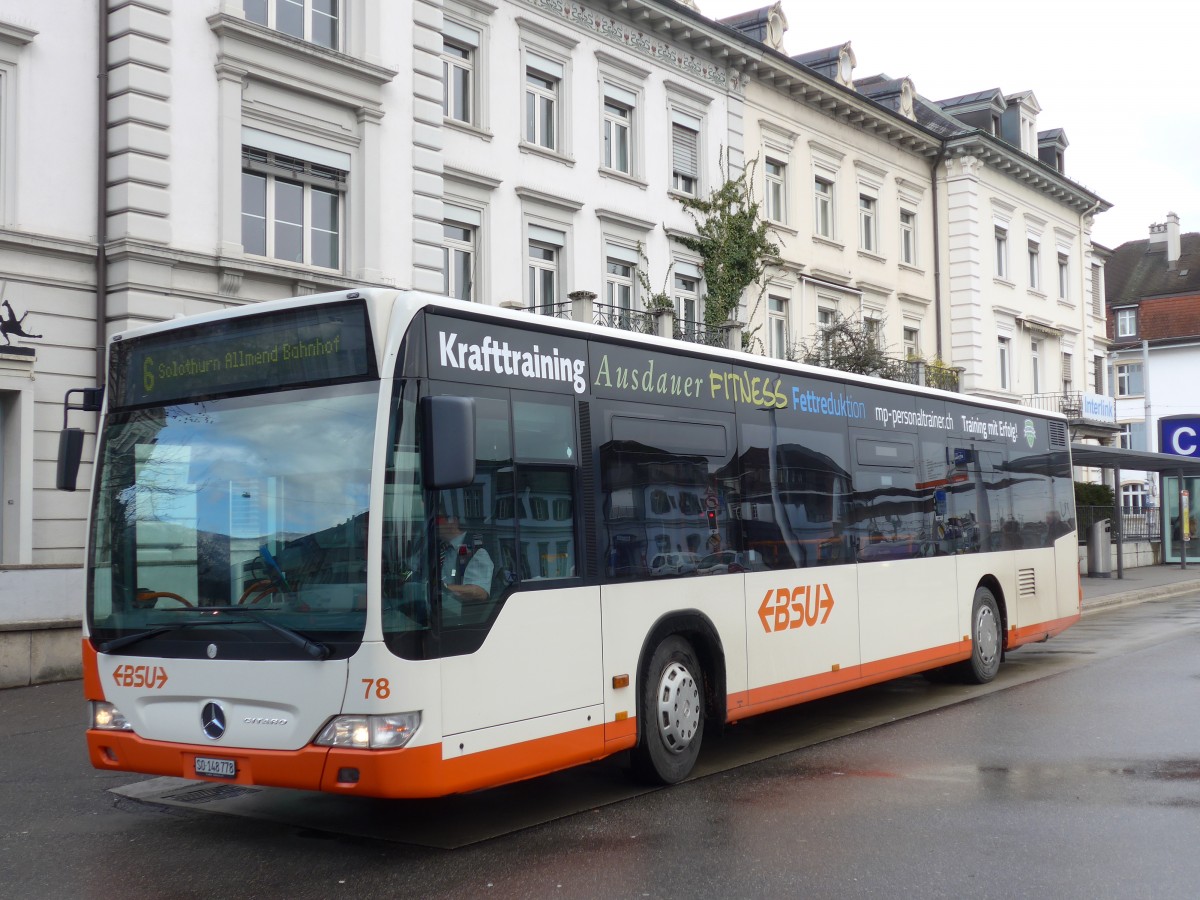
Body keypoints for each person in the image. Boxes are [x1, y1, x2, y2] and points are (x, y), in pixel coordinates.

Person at [436, 512, 494, 614]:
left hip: (464, 617)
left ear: (453, 521)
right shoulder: (439, 549)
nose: (434, 524)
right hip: (439, 612)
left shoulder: (477, 549)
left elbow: (479, 591)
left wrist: (441, 589)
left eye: (438, 520)